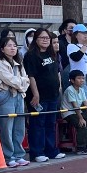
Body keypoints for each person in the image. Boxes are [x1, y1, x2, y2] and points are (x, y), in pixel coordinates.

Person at [24, 28, 65, 162]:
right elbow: (31, 76)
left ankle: (51, 150)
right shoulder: (31, 55)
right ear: (36, 39)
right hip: (39, 97)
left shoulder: (52, 54)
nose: (45, 40)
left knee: (50, 123)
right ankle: (37, 152)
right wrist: (35, 94)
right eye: (42, 38)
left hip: (53, 95)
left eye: (47, 38)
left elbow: (56, 72)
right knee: (38, 124)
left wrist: (59, 88)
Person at [0, 35, 32, 166]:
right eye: (9, 45)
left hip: (19, 96)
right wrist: (21, 83)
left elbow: (27, 80)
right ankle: (8, 156)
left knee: (19, 127)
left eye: (14, 46)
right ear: (2, 49)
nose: (12, 48)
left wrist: (21, 83)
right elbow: (9, 80)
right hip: (6, 97)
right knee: (7, 128)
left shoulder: (19, 63)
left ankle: (19, 154)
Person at [63, 70, 87, 152]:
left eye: (83, 78)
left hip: (78, 112)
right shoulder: (69, 90)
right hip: (69, 113)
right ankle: (81, 148)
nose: (82, 80)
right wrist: (81, 118)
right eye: (79, 78)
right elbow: (74, 106)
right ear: (72, 80)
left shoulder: (81, 90)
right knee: (82, 125)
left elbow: (86, 104)